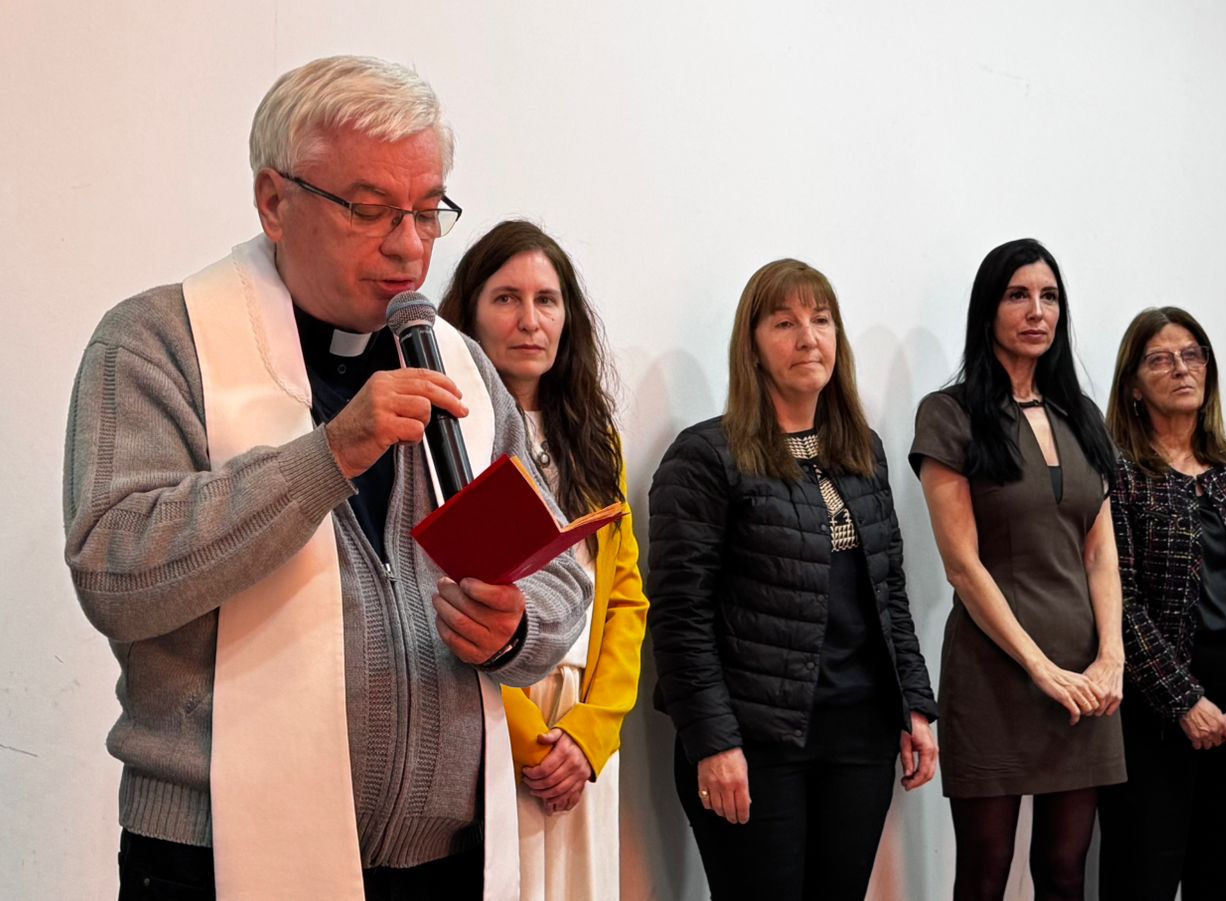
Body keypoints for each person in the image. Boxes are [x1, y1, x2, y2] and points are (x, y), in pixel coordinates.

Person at [61, 56, 592, 900]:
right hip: (212, 854)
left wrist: (514, 625)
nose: (409, 246)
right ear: (274, 202)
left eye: (428, 211)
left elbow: (558, 574)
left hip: (440, 860)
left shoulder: (458, 362)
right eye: (369, 210)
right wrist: (326, 458)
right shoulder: (159, 343)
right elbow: (115, 571)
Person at [648, 258, 939, 900]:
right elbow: (679, 617)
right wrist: (713, 742)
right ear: (751, 347)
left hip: (859, 736)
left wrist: (915, 705)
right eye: (784, 323)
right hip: (756, 742)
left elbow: (889, 590)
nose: (808, 338)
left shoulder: (861, 450)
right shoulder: (705, 456)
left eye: (821, 319)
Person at [909, 238, 1125, 901]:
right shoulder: (949, 414)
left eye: (1049, 296)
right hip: (995, 671)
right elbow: (962, 566)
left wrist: (1111, 657)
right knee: (985, 870)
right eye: (1018, 295)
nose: (1037, 311)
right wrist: (1039, 666)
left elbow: (1100, 552)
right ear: (988, 308)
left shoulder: (1083, 416)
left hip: (1086, 675)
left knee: (1065, 870)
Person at [438, 219, 648, 901]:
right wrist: (534, 742)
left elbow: (624, 596)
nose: (530, 320)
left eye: (547, 300)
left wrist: (592, 732)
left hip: (581, 734)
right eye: (507, 298)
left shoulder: (595, 440)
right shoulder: (448, 438)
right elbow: (446, 598)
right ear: (470, 313)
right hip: (493, 724)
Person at [1094, 307, 1226, 901]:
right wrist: (1182, 700)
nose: (1181, 369)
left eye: (1192, 355)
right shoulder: (1117, 471)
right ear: (1134, 385)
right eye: (1160, 359)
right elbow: (1119, 593)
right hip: (1152, 707)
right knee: (1143, 875)